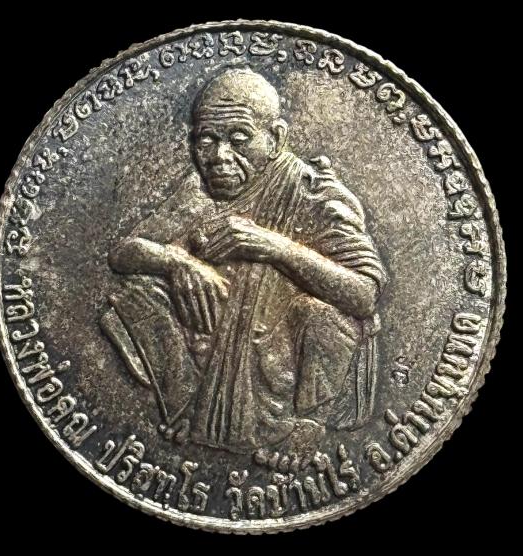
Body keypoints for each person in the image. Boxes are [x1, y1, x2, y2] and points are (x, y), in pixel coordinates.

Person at [101, 67, 387, 462]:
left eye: (239, 140)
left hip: (286, 352)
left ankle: (306, 426)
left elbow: (364, 295)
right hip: (213, 338)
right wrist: (177, 262)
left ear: (276, 139)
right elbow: (123, 254)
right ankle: (193, 405)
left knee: (322, 314)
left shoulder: (313, 193)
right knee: (138, 295)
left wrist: (274, 247)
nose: (219, 156)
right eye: (206, 140)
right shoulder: (199, 191)